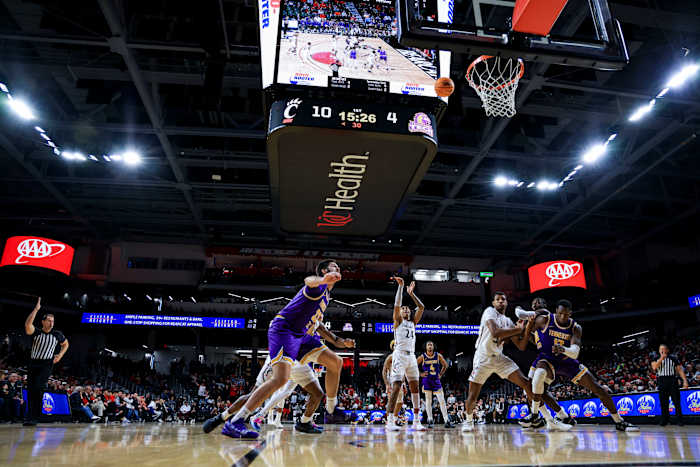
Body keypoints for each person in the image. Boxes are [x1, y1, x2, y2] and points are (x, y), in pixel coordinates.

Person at [208, 260, 341, 439]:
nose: (338, 269)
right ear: (325, 271)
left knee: (335, 362)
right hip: (284, 330)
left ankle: (329, 409)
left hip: (299, 336)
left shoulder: (326, 295)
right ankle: (235, 421)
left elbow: (319, 326)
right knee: (279, 381)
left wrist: (338, 341)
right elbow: (309, 281)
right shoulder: (318, 287)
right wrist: (323, 279)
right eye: (335, 267)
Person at [523, 299, 638, 432]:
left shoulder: (575, 327)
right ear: (556, 312)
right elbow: (526, 332)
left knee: (598, 389)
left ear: (570, 313)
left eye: (566, 314)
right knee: (537, 381)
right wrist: (526, 323)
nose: (562, 317)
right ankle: (539, 415)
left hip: (567, 361)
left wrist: (563, 349)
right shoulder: (544, 320)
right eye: (560, 314)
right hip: (548, 359)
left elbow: (575, 352)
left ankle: (619, 421)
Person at [461, 292, 539, 432]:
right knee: (473, 395)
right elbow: (495, 332)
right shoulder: (489, 312)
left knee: (526, 383)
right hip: (483, 358)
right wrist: (518, 329)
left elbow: (521, 346)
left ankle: (536, 415)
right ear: (493, 303)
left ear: (507, 303)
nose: (501, 301)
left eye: (503, 299)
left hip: (499, 358)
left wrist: (528, 327)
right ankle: (468, 420)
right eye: (498, 299)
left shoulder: (508, 321)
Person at [516, 297, 577, 428]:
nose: (536, 304)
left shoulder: (544, 314)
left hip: (553, 358)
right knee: (532, 391)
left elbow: (520, 314)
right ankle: (560, 417)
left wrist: (519, 310)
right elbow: (533, 340)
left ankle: (542, 417)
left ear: (545, 305)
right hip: (543, 356)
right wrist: (524, 330)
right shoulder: (537, 323)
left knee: (535, 389)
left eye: (539, 302)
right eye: (534, 303)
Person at [385, 276, 426, 431]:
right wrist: (401, 288)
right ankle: (389, 421)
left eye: (407, 309)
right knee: (396, 387)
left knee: (415, 388)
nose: (405, 310)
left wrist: (412, 293)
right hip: (399, 355)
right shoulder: (398, 321)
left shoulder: (413, 322)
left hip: (412, 356)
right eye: (403, 309)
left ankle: (416, 421)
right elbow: (396, 305)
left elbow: (421, 307)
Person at [23, 298, 69, 426]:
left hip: (46, 364)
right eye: (49, 320)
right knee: (31, 389)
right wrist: (36, 310)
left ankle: (35, 417)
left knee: (38, 387)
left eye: (53, 321)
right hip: (33, 363)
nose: (51, 323)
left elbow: (65, 344)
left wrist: (60, 355)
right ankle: (30, 417)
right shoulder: (36, 332)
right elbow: (27, 325)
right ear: (43, 321)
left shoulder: (57, 334)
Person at [416, 341, 453, 427]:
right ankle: (430, 420)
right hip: (427, 381)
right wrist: (420, 374)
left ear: (433, 347)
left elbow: (445, 365)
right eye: (428, 345)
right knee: (428, 401)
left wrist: (441, 374)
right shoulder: (422, 357)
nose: (429, 346)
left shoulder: (438, 355)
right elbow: (413, 365)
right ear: (426, 347)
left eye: (431, 345)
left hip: (436, 380)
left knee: (442, 401)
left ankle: (446, 421)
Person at [651, 344, 688, 426]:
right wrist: (661, 358)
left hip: (672, 380)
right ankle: (665, 420)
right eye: (660, 349)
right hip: (662, 380)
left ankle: (680, 420)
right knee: (663, 402)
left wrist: (685, 381)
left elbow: (680, 370)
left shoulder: (673, 358)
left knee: (676, 401)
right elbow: (654, 368)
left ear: (667, 350)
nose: (662, 350)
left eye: (664, 349)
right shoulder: (655, 358)